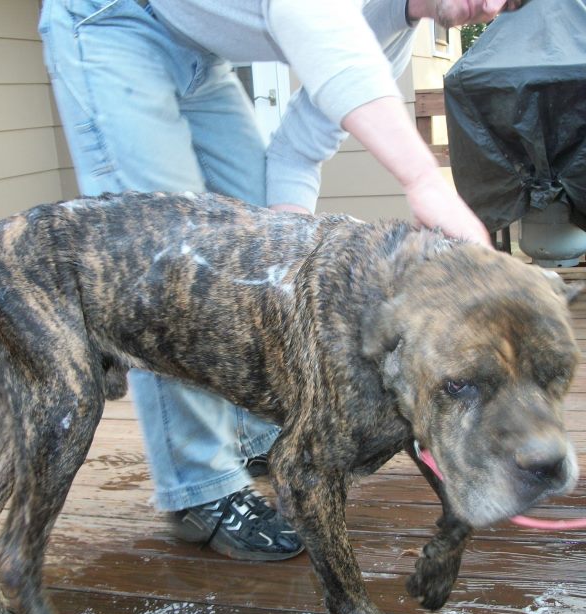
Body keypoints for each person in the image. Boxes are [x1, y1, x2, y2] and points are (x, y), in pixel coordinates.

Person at [38, 0, 507, 561]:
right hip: (113, 21)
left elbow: (295, 153)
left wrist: (285, 254)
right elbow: (307, 13)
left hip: (200, 52)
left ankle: (253, 433)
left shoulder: (392, 33)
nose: (493, 7)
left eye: (511, 3)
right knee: (167, 267)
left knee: (253, 212)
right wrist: (423, 178)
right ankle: (201, 487)